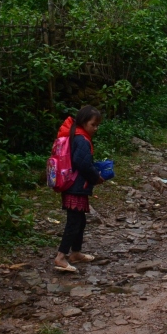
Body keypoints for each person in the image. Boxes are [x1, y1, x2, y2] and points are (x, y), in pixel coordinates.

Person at [52, 106, 108, 273]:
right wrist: (95, 177)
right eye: (93, 124)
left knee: (80, 221)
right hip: (76, 186)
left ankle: (76, 253)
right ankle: (61, 256)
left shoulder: (75, 136)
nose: (96, 128)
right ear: (84, 123)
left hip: (73, 185)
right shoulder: (82, 140)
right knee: (74, 222)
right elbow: (81, 162)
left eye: (98, 125)